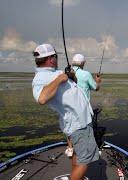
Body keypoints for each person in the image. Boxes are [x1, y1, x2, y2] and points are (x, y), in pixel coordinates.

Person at [32, 44, 99, 180]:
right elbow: (41, 98)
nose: (57, 60)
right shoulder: (41, 77)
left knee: (78, 155)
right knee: (85, 161)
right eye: (56, 57)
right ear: (51, 59)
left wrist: (70, 78)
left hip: (78, 122)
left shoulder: (52, 73)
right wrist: (59, 79)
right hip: (79, 124)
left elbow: (67, 89)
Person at [65, 53, 102, 156]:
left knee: (69, 126)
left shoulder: (67, 73)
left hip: (68, 105)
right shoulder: (86, 74)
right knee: (85, 127)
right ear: (82, 63)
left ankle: (70, 148)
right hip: (83, 107)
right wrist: (98, 81)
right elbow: (96, 88)